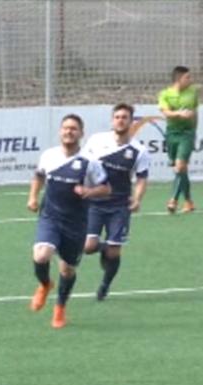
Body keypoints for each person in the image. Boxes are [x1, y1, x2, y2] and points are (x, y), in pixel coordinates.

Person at [27, 114, 111, 329]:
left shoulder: (89, 162)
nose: (68, 131)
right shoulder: (49, 155)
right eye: (65, 128)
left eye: (73, 128)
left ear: (81, 133)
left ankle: (60, 308)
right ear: (60, 131)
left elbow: (107, 188)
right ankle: (45, 284)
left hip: (75, 223)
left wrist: (89, 191)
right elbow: (39, 176)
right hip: (50, 217)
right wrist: (33, 197)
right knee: (41, 254)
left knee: (67, 270)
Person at [82, 104, 150, 301]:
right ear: (112, 120)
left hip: (120, 206)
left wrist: (137, 199)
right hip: (95, 202)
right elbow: (83, 163)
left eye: (125, 117)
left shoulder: (139, 151)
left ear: (131, 121)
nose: (120, 120)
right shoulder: (97, 141)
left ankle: (105, 284)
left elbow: (142, 178)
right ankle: (104, 247)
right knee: (87, 247)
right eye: (117, 116)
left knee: (114, 253)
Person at [158, 65, 199, 214]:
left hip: (187, 133)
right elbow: (165, 112)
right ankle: (188, 201)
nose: (190, 80)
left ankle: (173, 200)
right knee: (181, 170)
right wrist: (179, 114)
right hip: (172, 134)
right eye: (187, 77)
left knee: (180, 166)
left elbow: (195, 111)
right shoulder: (165, 94)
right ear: (178, 79)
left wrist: (194, 130)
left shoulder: (193, 92)